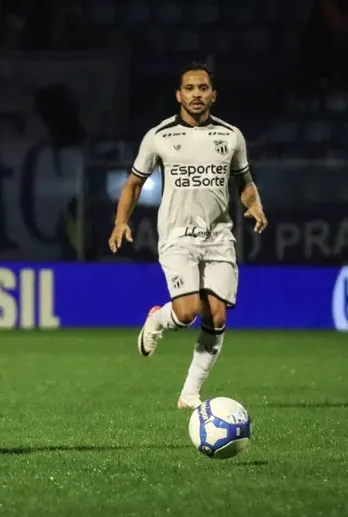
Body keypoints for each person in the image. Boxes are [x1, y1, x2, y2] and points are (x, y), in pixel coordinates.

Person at [108, 62, 268, 410]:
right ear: (179, 95)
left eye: (203, 88)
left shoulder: (231, 136)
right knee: (187, 312)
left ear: (213, 94)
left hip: (219, 236)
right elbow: (134, 183)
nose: (197, 94)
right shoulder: (160, 137)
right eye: (190, 88)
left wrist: (253, 204)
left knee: (218, 316)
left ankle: (190, 394)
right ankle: (158, 319)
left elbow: (245, 182)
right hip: (178, 236)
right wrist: (122, 221)